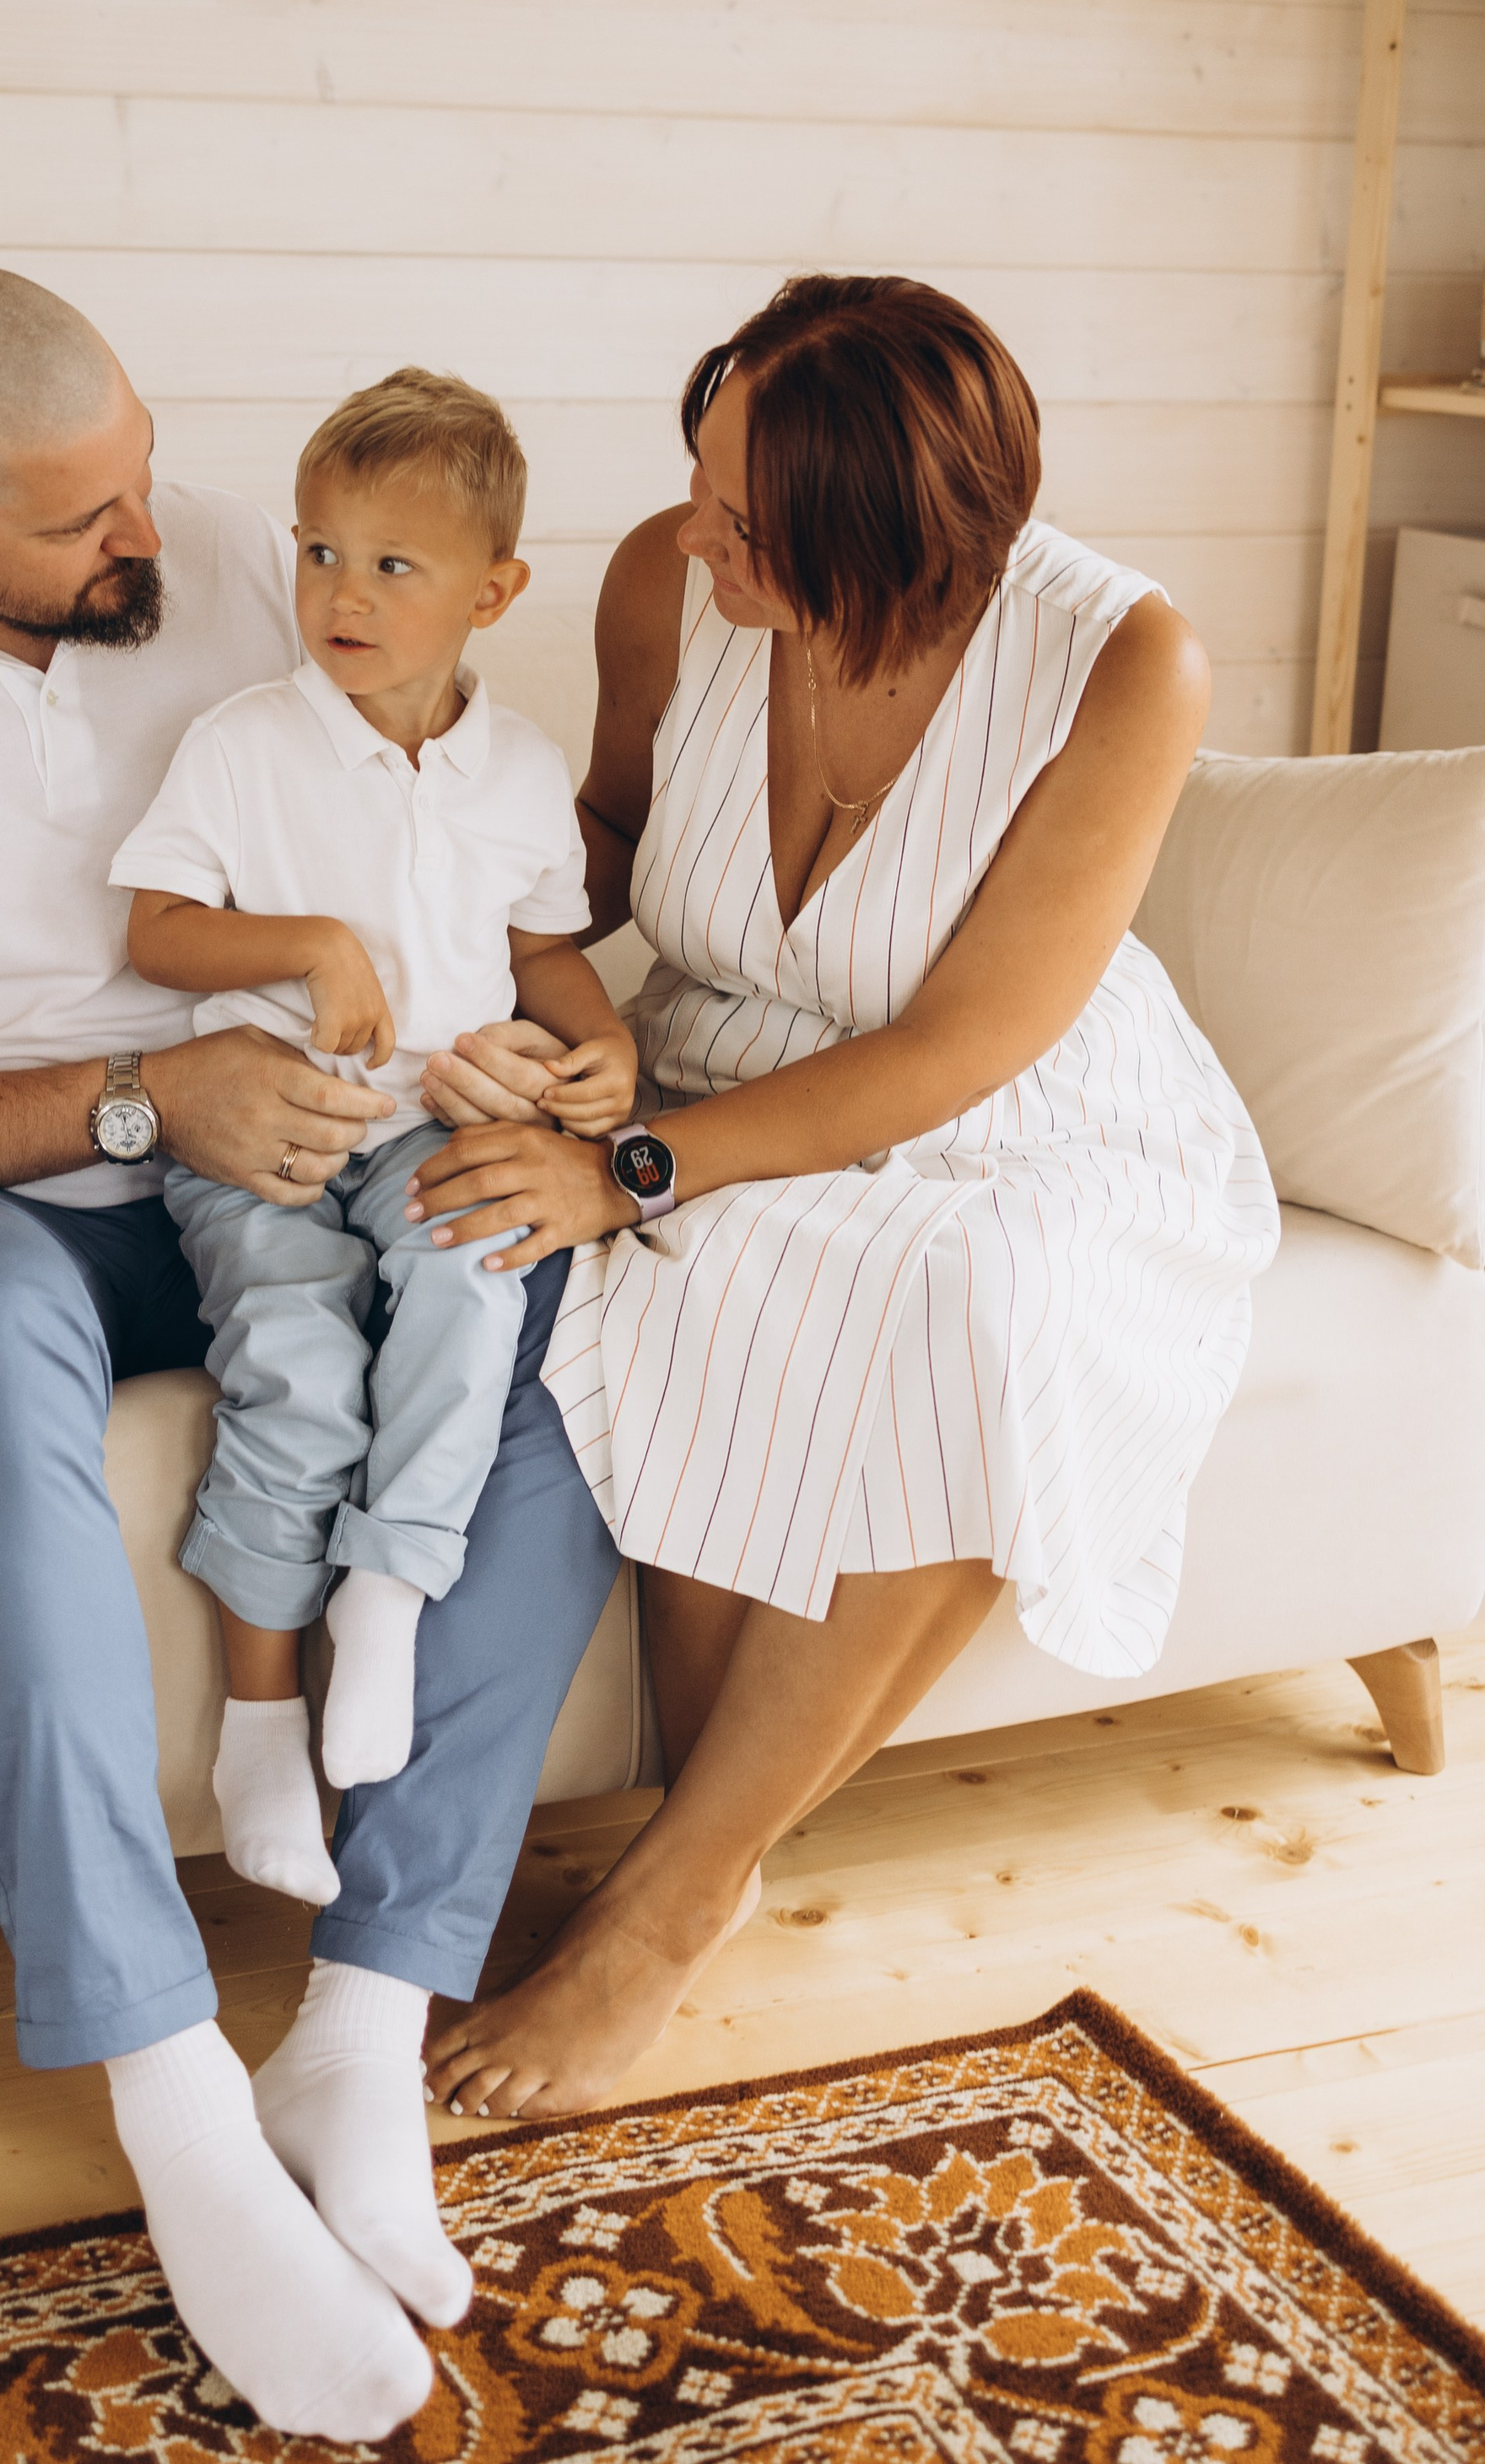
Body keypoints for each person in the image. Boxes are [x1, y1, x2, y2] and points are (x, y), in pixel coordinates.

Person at [0, 267, 622, 2440]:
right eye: (83, 519)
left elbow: (436, 844)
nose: (153, 540)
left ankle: (362, 2026)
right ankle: (174, 2098)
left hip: (281, 1147)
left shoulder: (249, 568)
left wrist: (499, 1066)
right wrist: (132, 1100)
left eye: (143, 474)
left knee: (537, 1313)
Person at [403, 274, 1281, 2124]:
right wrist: (431, 884)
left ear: (894, 536)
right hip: (720, 1058)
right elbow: (610, 837)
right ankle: (696, 1844)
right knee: (712, 1275)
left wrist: (627, 1170)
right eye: (702, 484)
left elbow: (960, 1044)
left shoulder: (1124, 661)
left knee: (969, 1293)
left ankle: (671, 1896)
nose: (693, 538)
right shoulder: (667, 587)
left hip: (1023, 1107)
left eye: (744, 522)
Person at [111, 370, 636, 1907]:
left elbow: (544, 951)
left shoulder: (521, 770)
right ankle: (260, 1721)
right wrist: (314, 944)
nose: (342, 593)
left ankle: (391, 1591)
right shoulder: (242, 743)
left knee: (476, 1283)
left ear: (493, 592)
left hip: (436, 1125)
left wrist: (602, 1047)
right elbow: (157, 928)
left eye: (392, 565)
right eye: (319, 551)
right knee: (299, 1361)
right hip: (266, 1140)